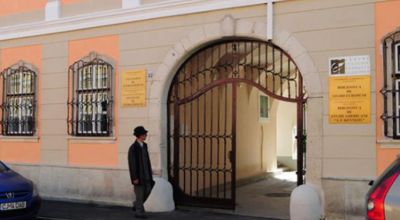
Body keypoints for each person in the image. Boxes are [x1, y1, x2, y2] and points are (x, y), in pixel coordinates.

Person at [128, 126, 155, 218]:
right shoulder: (133, 148)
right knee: (140, 194)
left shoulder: (145, 145)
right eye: (144, 134)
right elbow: (132, 164)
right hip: (139, 176)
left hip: (147, 174)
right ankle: (139, 212)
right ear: (139, 136)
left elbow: (147, 160)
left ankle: (136, 204)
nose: (146, 135)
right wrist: (134, 177)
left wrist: (150, 172)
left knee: (148, 191)